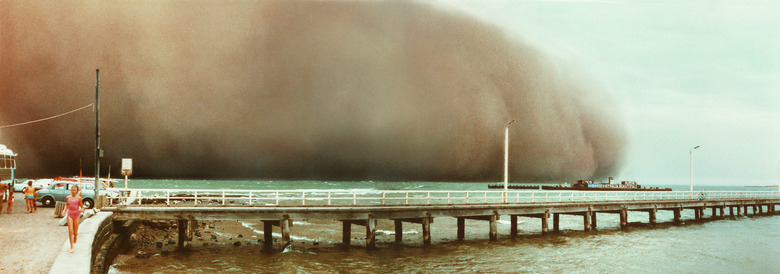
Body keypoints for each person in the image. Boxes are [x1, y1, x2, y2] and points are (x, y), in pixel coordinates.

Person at [61, 185, 83, 253]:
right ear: (71, 190)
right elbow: (67, 205)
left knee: (75, 232)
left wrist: (80, 210)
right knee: (70, 230)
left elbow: (82, 207)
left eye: (75, 190)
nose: (73, 191)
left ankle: (75, 236)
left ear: (77, 191)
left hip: (76, 215)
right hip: (70, 214)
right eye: (72, 190)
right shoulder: (68, 197)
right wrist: (64, 211)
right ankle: (71, 247)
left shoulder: (79, 198)